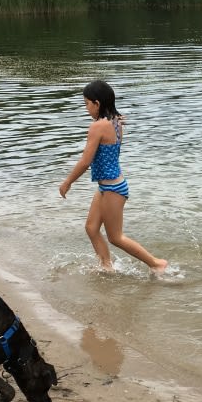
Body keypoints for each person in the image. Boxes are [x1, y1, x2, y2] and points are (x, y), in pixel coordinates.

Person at [58, 80, 168, 275]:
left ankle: (156, 263)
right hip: (108, 186)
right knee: (91, 228)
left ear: (97, 103)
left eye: (86, 104)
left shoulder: (98, 127)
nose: (86, 108)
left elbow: (85, 161)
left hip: (113, 189)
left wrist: (68, 182)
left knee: (115, 237)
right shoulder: (116, 121)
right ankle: (106, 268)